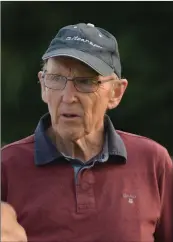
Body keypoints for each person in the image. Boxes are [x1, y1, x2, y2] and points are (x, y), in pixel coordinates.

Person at [1, 23, 173, 242]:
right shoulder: (7, 166)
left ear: (116, 92)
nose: (68, 96)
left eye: (85, 82)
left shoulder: (152, 161)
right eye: (56, 79)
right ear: (43, 86)